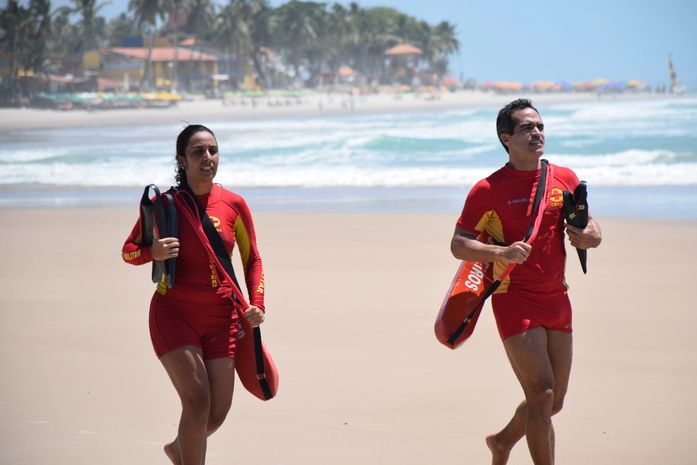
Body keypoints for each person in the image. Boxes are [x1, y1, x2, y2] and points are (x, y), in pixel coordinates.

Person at [450, 99, 602, 465]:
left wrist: (591, 236)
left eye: (540, 126)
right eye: (526, 128)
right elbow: (459, 244)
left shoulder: (562, 178)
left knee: (554, 400)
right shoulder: (488, 189)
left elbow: (591, 227)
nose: (537, 133)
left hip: (556, 297)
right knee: (541, 392)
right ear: (507, 138)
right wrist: (501, 255)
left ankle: (502, 442)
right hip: (513, 297)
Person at [122, 124, 266, 465]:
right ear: (181, 161)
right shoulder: (166, 206)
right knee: (197, 402)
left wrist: (257, 304)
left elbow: (252, 258)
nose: (207, 158)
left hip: (222, 319)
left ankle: (177, 450)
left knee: (216, 413)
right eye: (198, 152)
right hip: (174, 313)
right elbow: (128, 250)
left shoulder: (233, 204)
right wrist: (151, 253)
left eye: (212, 150)